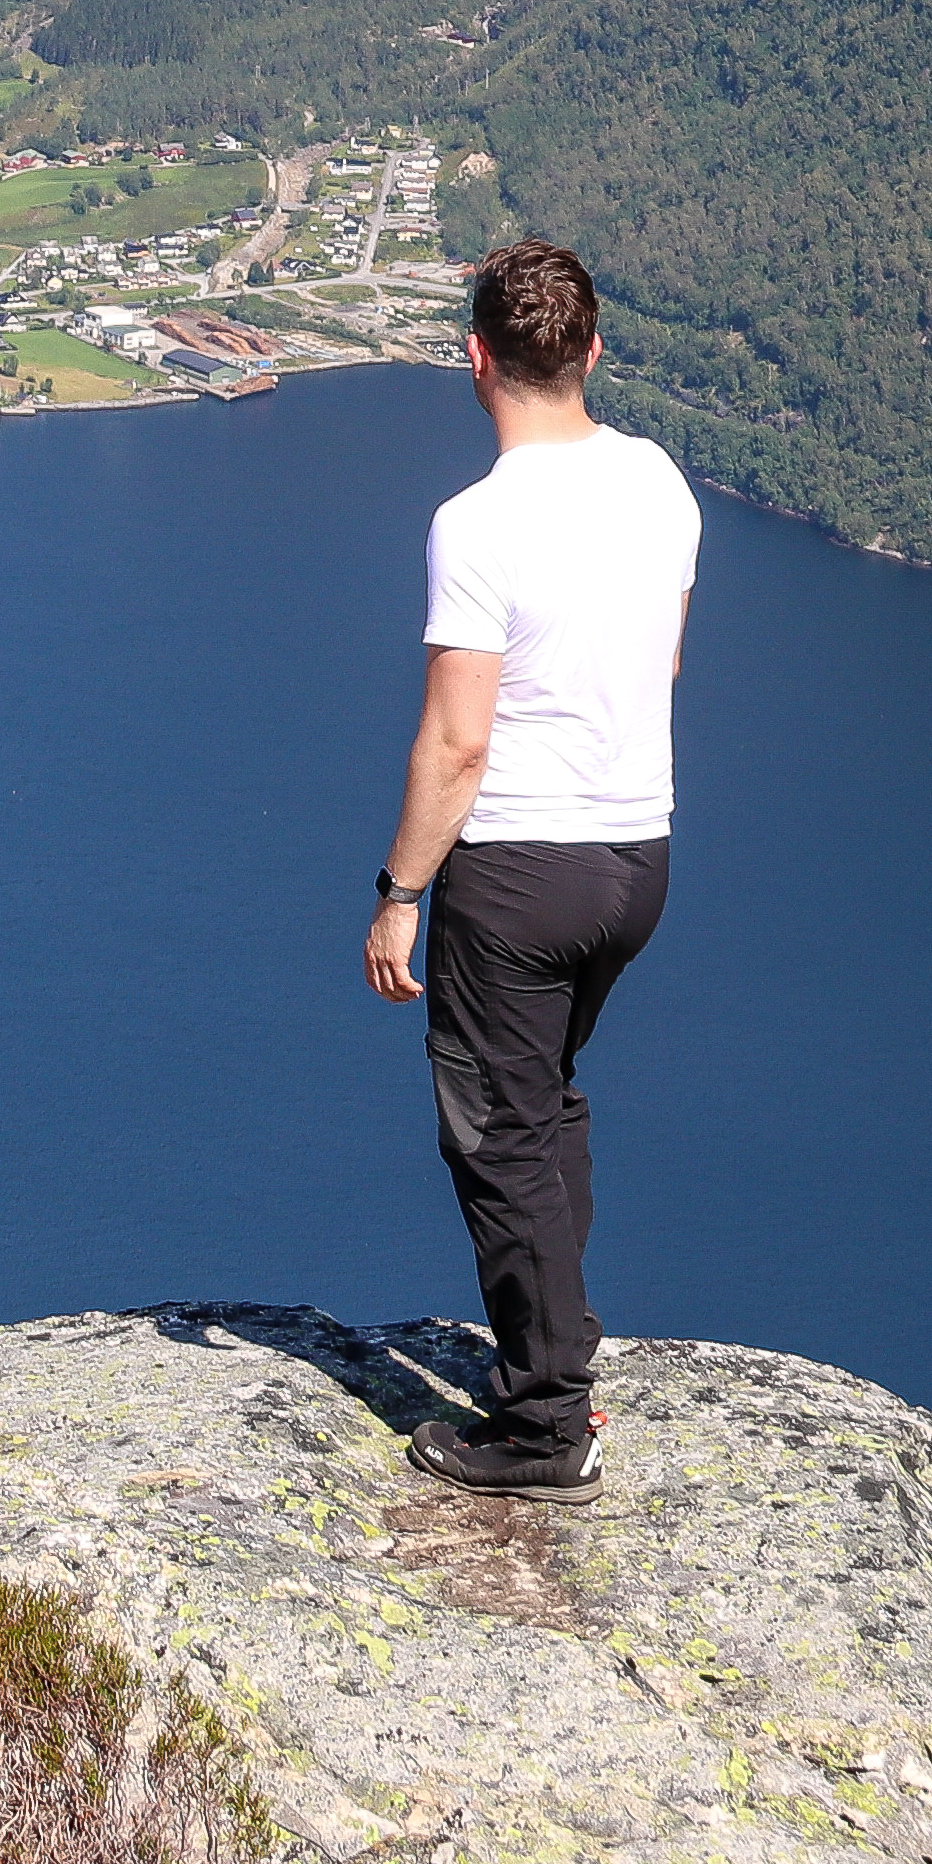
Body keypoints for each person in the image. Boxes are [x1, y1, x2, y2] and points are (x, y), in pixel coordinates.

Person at [364, 237, 702, 1502]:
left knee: (495, 1130)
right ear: (594, 352)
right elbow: (659, 664)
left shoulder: (477, 524)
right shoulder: (661, 481)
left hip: (517, 872)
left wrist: (400, 891)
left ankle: (545, 1424)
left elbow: (459, 740)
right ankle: (564, 1353)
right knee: (546, 1101)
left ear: (477, 359)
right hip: (636, 858)